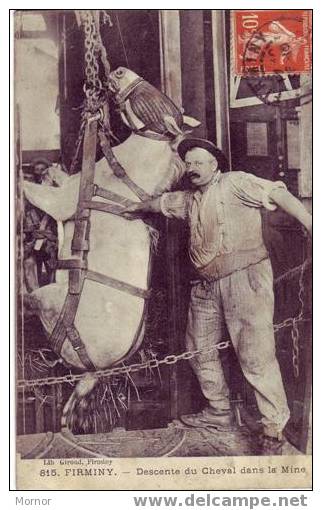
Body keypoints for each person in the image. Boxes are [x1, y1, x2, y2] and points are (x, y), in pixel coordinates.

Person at [122, 138, 312, 455]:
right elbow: (158, 204)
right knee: (198, 350)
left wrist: (311, 224)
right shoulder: (188, 199)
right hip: (206, 286)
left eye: (199, 161)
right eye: (189, 163)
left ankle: (273, 428)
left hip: (245, 279)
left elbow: (277, 193)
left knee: (255, 354)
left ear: (215, 165)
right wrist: (128, 208)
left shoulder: (237, 183)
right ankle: (219, 410)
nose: (193, 168)